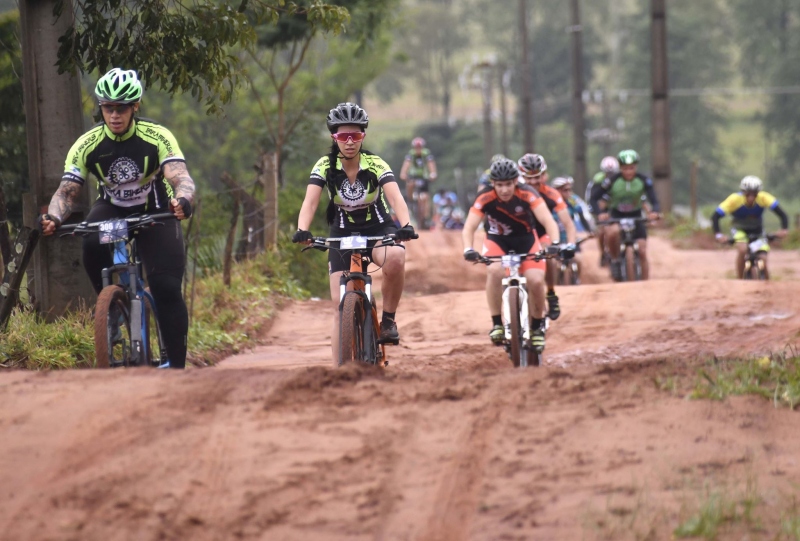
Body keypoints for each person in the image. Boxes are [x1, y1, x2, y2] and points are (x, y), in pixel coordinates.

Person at [39, 68, 195, 369]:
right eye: (108, 108)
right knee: (91, 242)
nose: (114, 115)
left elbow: (181, 178)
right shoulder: (87, 144)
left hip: (156, 210)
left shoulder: (157, 136)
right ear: (101, 108)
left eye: (121, 108)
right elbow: (67, 192)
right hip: (111, 210)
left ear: (134, 107)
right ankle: (108, 310)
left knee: (165, 287)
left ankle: (177, 368)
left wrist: (184, 200)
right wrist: (54, 218)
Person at [293, 102, 416, 363]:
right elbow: (311, 202)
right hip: (342, 232)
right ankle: (341, 371)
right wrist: (302, 229)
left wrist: (405, 224)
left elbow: (395, 197)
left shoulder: (375, 163)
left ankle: (388, 321)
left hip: (378, 227)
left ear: (363, 137)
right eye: (343, 136)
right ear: (333, 138)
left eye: (355, 136)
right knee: (340, 305)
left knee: (395, 257)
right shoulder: (325, 166)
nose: (349, 142)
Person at [461, 158, 564, 353]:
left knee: (535, 280)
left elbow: (548, 221)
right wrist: (468, 248)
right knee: (495, 271)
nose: (505, 190)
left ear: (516, 181)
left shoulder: (528, 193)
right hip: (497, 241)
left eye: (508, 184)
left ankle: (536, 328)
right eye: (499, 185)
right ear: (493, 184)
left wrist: (555, 244)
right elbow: (469, 227)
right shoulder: (485, 197)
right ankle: (497, 324)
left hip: (526, 240)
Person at [517, 153, 576, 320]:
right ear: (521, 177)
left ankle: (550, 293)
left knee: (549, 256)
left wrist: (570, 244)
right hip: (520, 234)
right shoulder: (514, 193)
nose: (534, 182)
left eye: (538, 177)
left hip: (542, 233)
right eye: (529, 178)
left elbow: (568, 223)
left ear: (545, 175)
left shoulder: (551, 194)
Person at [590, 149, 661, 281]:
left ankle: (646, 282)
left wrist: (654, 212)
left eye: (631, 168)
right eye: (625, 168)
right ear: (620, 168)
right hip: (617, 214)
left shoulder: (644, 180)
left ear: (636, 167)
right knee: (612, 233)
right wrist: (600, 213)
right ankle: (615, 259)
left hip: (636, 215)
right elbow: (594, 198)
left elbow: (654, 200)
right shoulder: (612, 181)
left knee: (642, 250)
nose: (628, 172)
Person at [712, 175, 788, 279]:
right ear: (743, 192)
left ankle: (767, 283)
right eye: (748, 194)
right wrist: (719, 235)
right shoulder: (734, 199)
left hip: (758, 230)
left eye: (754, 194)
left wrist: (784, 229)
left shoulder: (764, 197)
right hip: (739, 229)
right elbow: (715, 216)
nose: (751, 197)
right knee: (742, 250)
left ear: (758, 193)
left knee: (763, 258)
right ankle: (740, 279)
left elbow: (782, 214)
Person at [551, 176, 594, 280]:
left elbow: (581, 215)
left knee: (578, 259)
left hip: (570, 238)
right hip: (555, 239)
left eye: (570, 189)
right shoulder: (549, 203)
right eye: (565, 190)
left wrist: (589, 230)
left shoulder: (572, 200)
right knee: (554, 265)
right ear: (556, 191)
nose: (569, 193)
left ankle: (577, 280)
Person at [587, 156, 619, 267]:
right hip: (602, 209)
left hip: (615, 208)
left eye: (612, 173)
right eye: (607, 173)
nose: (610, 175)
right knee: (601, 231)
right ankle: (603, 253)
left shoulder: (619, 179)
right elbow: (592, 197)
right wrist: (597, 212)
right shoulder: (598, 180)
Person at [398, 137, 438, 229]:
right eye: (416, 147)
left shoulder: (426, 154)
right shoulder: (411, 154)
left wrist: (433, 173)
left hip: (424, 177)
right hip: (413, 176)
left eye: (419, 147)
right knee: (410, 184)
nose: (418, 149)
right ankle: (410, 200)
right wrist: (403, 173)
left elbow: (431, 164)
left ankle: (426, 217)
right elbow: (406, 165)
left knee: (426, 197)